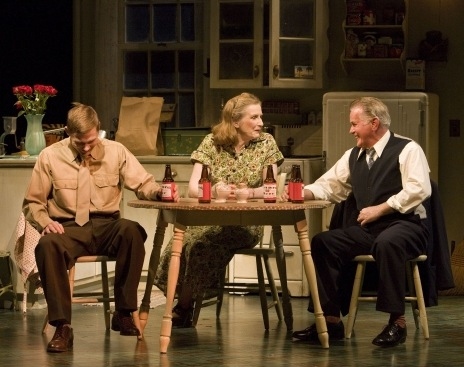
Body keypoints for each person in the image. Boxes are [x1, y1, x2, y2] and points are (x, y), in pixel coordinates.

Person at [23, 103, 179, 353]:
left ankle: (124, 312)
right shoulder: (50, 156)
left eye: (91, 141)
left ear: (98, 130)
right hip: (68, 228)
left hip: (107, 225)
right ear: (68, 134)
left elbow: (143, 183)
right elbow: (33, 202)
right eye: (79, 142)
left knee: (131, 230)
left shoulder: (116, 151)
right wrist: (45, 222)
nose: (86, 148)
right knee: (46, 244)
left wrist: (159, 192)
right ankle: (63, 326)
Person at [290, 97, 431, 348]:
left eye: (355, 124)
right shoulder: (353, 155)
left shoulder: (408, 149)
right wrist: (301, 193)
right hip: (370, 230)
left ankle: (397, 323)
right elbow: (330, 185)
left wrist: (382, 208)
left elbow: (419, 189)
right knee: (323, 242)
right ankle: (331, 321)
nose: (350, 130)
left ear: (374, 123)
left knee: (389, 242)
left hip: (406, 225)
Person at [153, 92, 284, 327]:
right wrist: (214, 191)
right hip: (208, 219)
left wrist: (249, 193)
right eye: (254, 117)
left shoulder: (266, 143)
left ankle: (183, 306)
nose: (261, 123)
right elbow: (193, 188)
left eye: (260, 117)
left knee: (202, 246)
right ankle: (180, 300)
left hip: (245, 223)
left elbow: (270, 188)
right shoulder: (212, 142)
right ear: (235, 121)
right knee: (180, 243)